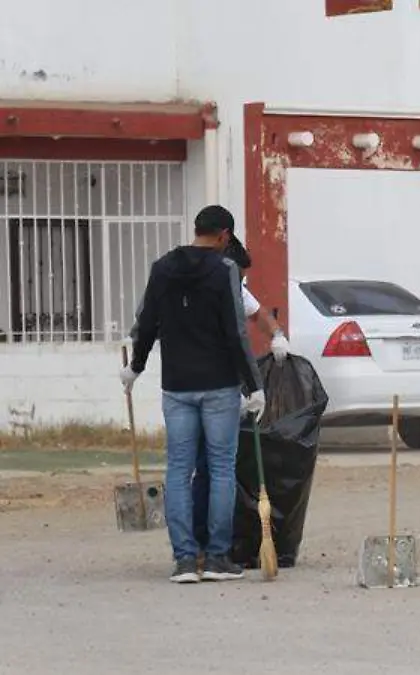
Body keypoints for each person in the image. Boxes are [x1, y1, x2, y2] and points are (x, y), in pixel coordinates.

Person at [120, 204, 264, 584]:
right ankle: (216, 558)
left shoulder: (161, 268)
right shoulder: (225, 269)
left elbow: (147, 322)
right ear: (224, 236)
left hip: (177, 386)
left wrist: (136, 366)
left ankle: (185, 560)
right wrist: (254, 386)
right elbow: (235, 331)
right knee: (221, 468)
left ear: (197, 230)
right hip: (219, 386)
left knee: (179, 470)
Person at [191, 237, 290, 556]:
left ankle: (212, 545)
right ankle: (205, 545)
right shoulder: (203, 289)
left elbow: (258, 313)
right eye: (240, 277)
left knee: (214, 468)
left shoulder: (233, 285)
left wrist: (277, 335)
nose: (241, 284)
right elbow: (233, 341)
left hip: (221, 389)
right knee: (209, 468)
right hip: (202, 388)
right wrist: (249, 388)